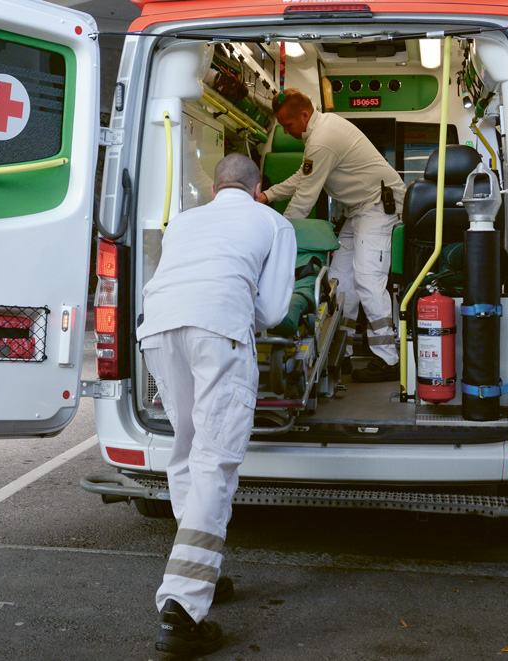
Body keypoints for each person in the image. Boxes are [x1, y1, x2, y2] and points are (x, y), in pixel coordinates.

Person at [137, 153, 296, 656]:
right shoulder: (272, 221)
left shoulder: (184, 220)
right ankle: (182, 608)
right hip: (218, 331)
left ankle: (201, 575)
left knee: (185, 448)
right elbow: (271, 311)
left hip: (159, 328)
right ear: (256, 190)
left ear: (213, 189)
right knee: (216, 459)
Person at [258, 89, 406, 382]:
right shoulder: (317, 135)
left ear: (304, 114)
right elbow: (303, 176)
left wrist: (277, 238)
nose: (287, 131)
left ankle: (389, 360)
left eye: (288, 125)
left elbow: (304, 199)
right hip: (359, 211)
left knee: (366, 278)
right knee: (338, 279)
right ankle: (342, 351)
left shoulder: (323, 139)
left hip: (378, 207)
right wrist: (266, 196)